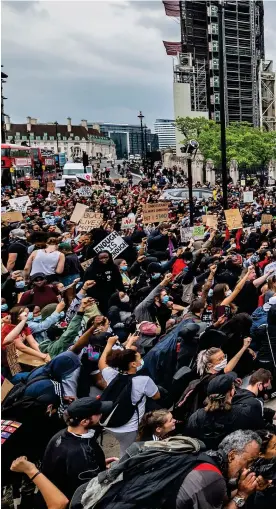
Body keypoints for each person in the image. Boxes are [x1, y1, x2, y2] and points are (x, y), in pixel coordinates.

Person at [41, 397, 114, 501]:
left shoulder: (60, 435)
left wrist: (99, 465)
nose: (101, 414)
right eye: (98, 413)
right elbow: (89, 493)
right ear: (84, 422)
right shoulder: (80, 454)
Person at [98, 335, 160, 457]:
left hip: (109, 423)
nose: (140, 359)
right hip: (128, 428)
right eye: (138, 358)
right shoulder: (144, 380)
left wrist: (110, 344)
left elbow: (102, 362)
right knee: (126, 453)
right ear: (133, 364)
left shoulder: (112, 374)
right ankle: (121, 473)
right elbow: (156, 396)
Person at [176, 430, 263, 509]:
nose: (248, 468)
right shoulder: (213, 478)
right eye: (249, 462)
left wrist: (246, 488)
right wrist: (242, 495)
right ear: (232, 456)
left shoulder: (208, 457)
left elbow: (219, 498)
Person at [185, 372, 261, 449]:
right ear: (232, 392)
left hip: (207, 458)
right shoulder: (245, 413)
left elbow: (189, 441)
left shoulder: (196, 418)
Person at [83, 250, 125, 314]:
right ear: (97, 258)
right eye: (101, 258)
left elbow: (118, 281)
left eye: (106, 257)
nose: (104, 260)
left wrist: (123, 291)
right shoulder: (91, 269)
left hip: (111, 294)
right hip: (97, 296)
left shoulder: (113, 267)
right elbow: (87, 284)